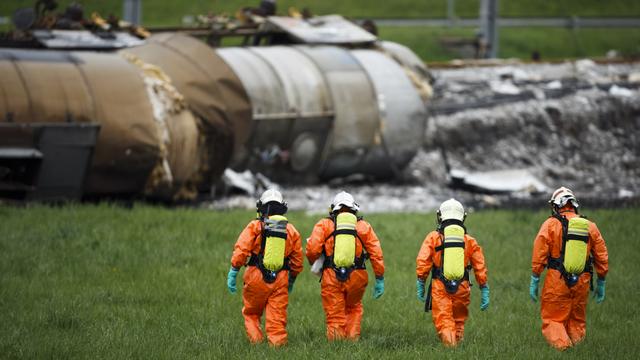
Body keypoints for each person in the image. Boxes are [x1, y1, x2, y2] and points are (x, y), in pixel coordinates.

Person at [529, 187, 608, 351]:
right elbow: (601, 255)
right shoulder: (590, 226)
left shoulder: (550, 224)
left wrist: (535, 277)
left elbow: (539, 251)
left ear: (556, 206)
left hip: (557, 281)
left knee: (553, 319)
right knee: (576, 320)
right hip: (582, 281)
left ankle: (565, 350)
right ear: (574, 205)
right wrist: (601, 280)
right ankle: (578, 349)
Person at [226, 189, 303, 346]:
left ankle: (257, 344)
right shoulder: (290, 230)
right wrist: (292, 279)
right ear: (282, 208)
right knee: (277, 317)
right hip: (280, 280)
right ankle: (277, 346)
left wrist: (234, 271)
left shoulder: (255, 226)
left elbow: (242, 249)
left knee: (252, 313)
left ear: (261, 207)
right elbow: (297, 260)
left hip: (255, 277)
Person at [305, 191, 385, 341]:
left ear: (333, 209)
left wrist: (313, 261)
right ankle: (352, 340)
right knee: (353, 308)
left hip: (331, 276)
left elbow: (312, 249)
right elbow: (376, 253)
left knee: (335, 314)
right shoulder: (363, 227)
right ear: (354, 209)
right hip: (358, 275)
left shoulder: (324, 225)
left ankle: (337, 345)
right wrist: (379, 277)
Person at [416, 198, 489, 347]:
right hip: (463, 286)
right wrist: (484, 287)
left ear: (440, 216)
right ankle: (458, 342)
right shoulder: (469, 240)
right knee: (459, 319)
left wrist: (421, 281)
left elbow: (423, 261)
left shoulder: (433, 237)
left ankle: (451, 348)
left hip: (440, 285)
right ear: (463, 217)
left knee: (444, 319)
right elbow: (479, 265)